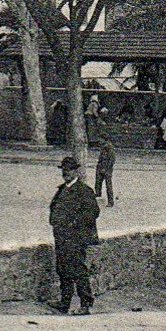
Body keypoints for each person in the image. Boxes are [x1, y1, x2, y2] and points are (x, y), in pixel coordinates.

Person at [46, 155, 100, 316]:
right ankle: (64, 301)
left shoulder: (84, 191)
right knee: (62, 269)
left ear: (76, 171)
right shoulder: (62, 189)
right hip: (61, 237)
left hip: (76, 238)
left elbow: (93, 212)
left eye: (69, 170)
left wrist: (73, 224)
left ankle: (85, 304)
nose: (66, 173)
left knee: (78, 270)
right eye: (64, 170)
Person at [94, 134, 117, 208]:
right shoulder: (104, 147)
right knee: (98, 184)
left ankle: (110, 202)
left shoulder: (109, 147)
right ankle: (98, 198)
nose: (99, 141)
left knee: (108, 185)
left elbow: (112, 160)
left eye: (100, 139)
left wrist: (107, 168)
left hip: (106, 169)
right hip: (101, 167)